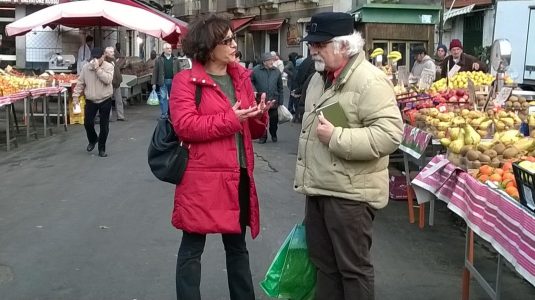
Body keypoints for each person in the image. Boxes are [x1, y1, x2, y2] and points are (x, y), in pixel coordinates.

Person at [295, 12, 403, 299]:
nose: (312, 50)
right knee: (324, 266)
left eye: (320, 44)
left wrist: (338, 137)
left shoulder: (370, 81)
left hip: (351, 195)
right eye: (312, 43)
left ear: (345, 46)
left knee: (353, 270)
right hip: (320, 188)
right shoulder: (320, 78)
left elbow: (390, 135)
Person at [169, 14, 273, 300]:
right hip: (200, 178)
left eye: (233, 39)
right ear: (208, 46)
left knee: (237, 247)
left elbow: (248, 129)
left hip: (237, 174)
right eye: (227, 40)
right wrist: (231, 118)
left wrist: (259, 115)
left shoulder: (240, 78)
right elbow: (185, 126)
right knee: (192, 248)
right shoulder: (186, 81)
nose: (234, 46)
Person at [72, 47, 115, 158]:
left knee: (104, 126)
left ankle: (102, 148)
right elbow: (80, 83)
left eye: (98, 57)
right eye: (94, 57)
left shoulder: (109, 66)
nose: (95, 60)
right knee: (88, 123)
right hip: (91, 99)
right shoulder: (86, 68)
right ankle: (93, 139)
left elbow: (108, 80)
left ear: (103, 56)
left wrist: (97, 69)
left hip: (105, 99)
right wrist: (75, 96)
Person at [251, 52, 283, 143]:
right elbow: (250, 81)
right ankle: (263, 136)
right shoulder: (255, 70)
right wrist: (254, 90)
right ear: (264, 62)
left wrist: (281, 100)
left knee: (274, 120)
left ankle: (273, 133)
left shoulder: (276, 71)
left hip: (273, 99)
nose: (272, 62)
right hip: (261, 100)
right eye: (270, 60)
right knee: (262, 120)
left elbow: (280, 86)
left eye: (272, 60)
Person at [151, 43, 182, 119]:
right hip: (163, 81)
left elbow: (179, 71)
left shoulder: (175, 59)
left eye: (170, 48)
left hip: (173, 81)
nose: (169, 50)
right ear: (164, 50)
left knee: (173, 98)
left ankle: (171, 113)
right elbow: (155, 72)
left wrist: (180, 82)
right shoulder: (159, 60)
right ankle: (164, 113)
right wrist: (153, 83)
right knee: (163, 98)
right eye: (167, 48)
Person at [104, 46, 126, 121]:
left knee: (119, 100)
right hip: (110, 83)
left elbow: (117, 69)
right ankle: (108, 117)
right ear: (106, 53)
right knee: (108, 101)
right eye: (111, 52)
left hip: (117, 83)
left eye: (113, 51)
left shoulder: (113, 60)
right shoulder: (105, 61)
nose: (113, 53)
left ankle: (120, 116)